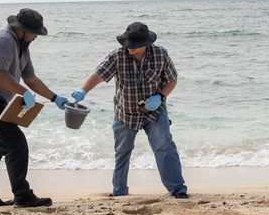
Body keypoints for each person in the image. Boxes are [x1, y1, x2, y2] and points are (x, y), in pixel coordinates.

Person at [0, 9, 69, 208]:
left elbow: (31, 79)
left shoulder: (23, 47)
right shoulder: (2, 39)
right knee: (17, 145)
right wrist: (23, 92)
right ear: (21, 29)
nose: (36, 37)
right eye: (34, 32)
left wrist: (55, 98)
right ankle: (23, 195)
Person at [70, 21, 188, 199]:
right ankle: (119, 191)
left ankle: (177, 189)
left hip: (155, 112)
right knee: (122, 152)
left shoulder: (161, 54)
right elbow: (98, 75)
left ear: (146, 43)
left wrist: (161, 97)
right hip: (125, 113)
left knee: (165, 147)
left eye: (135, 46)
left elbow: (172, 80)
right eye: (128, 45)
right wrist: (83, 89)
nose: (130, 48)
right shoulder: (117, 56)